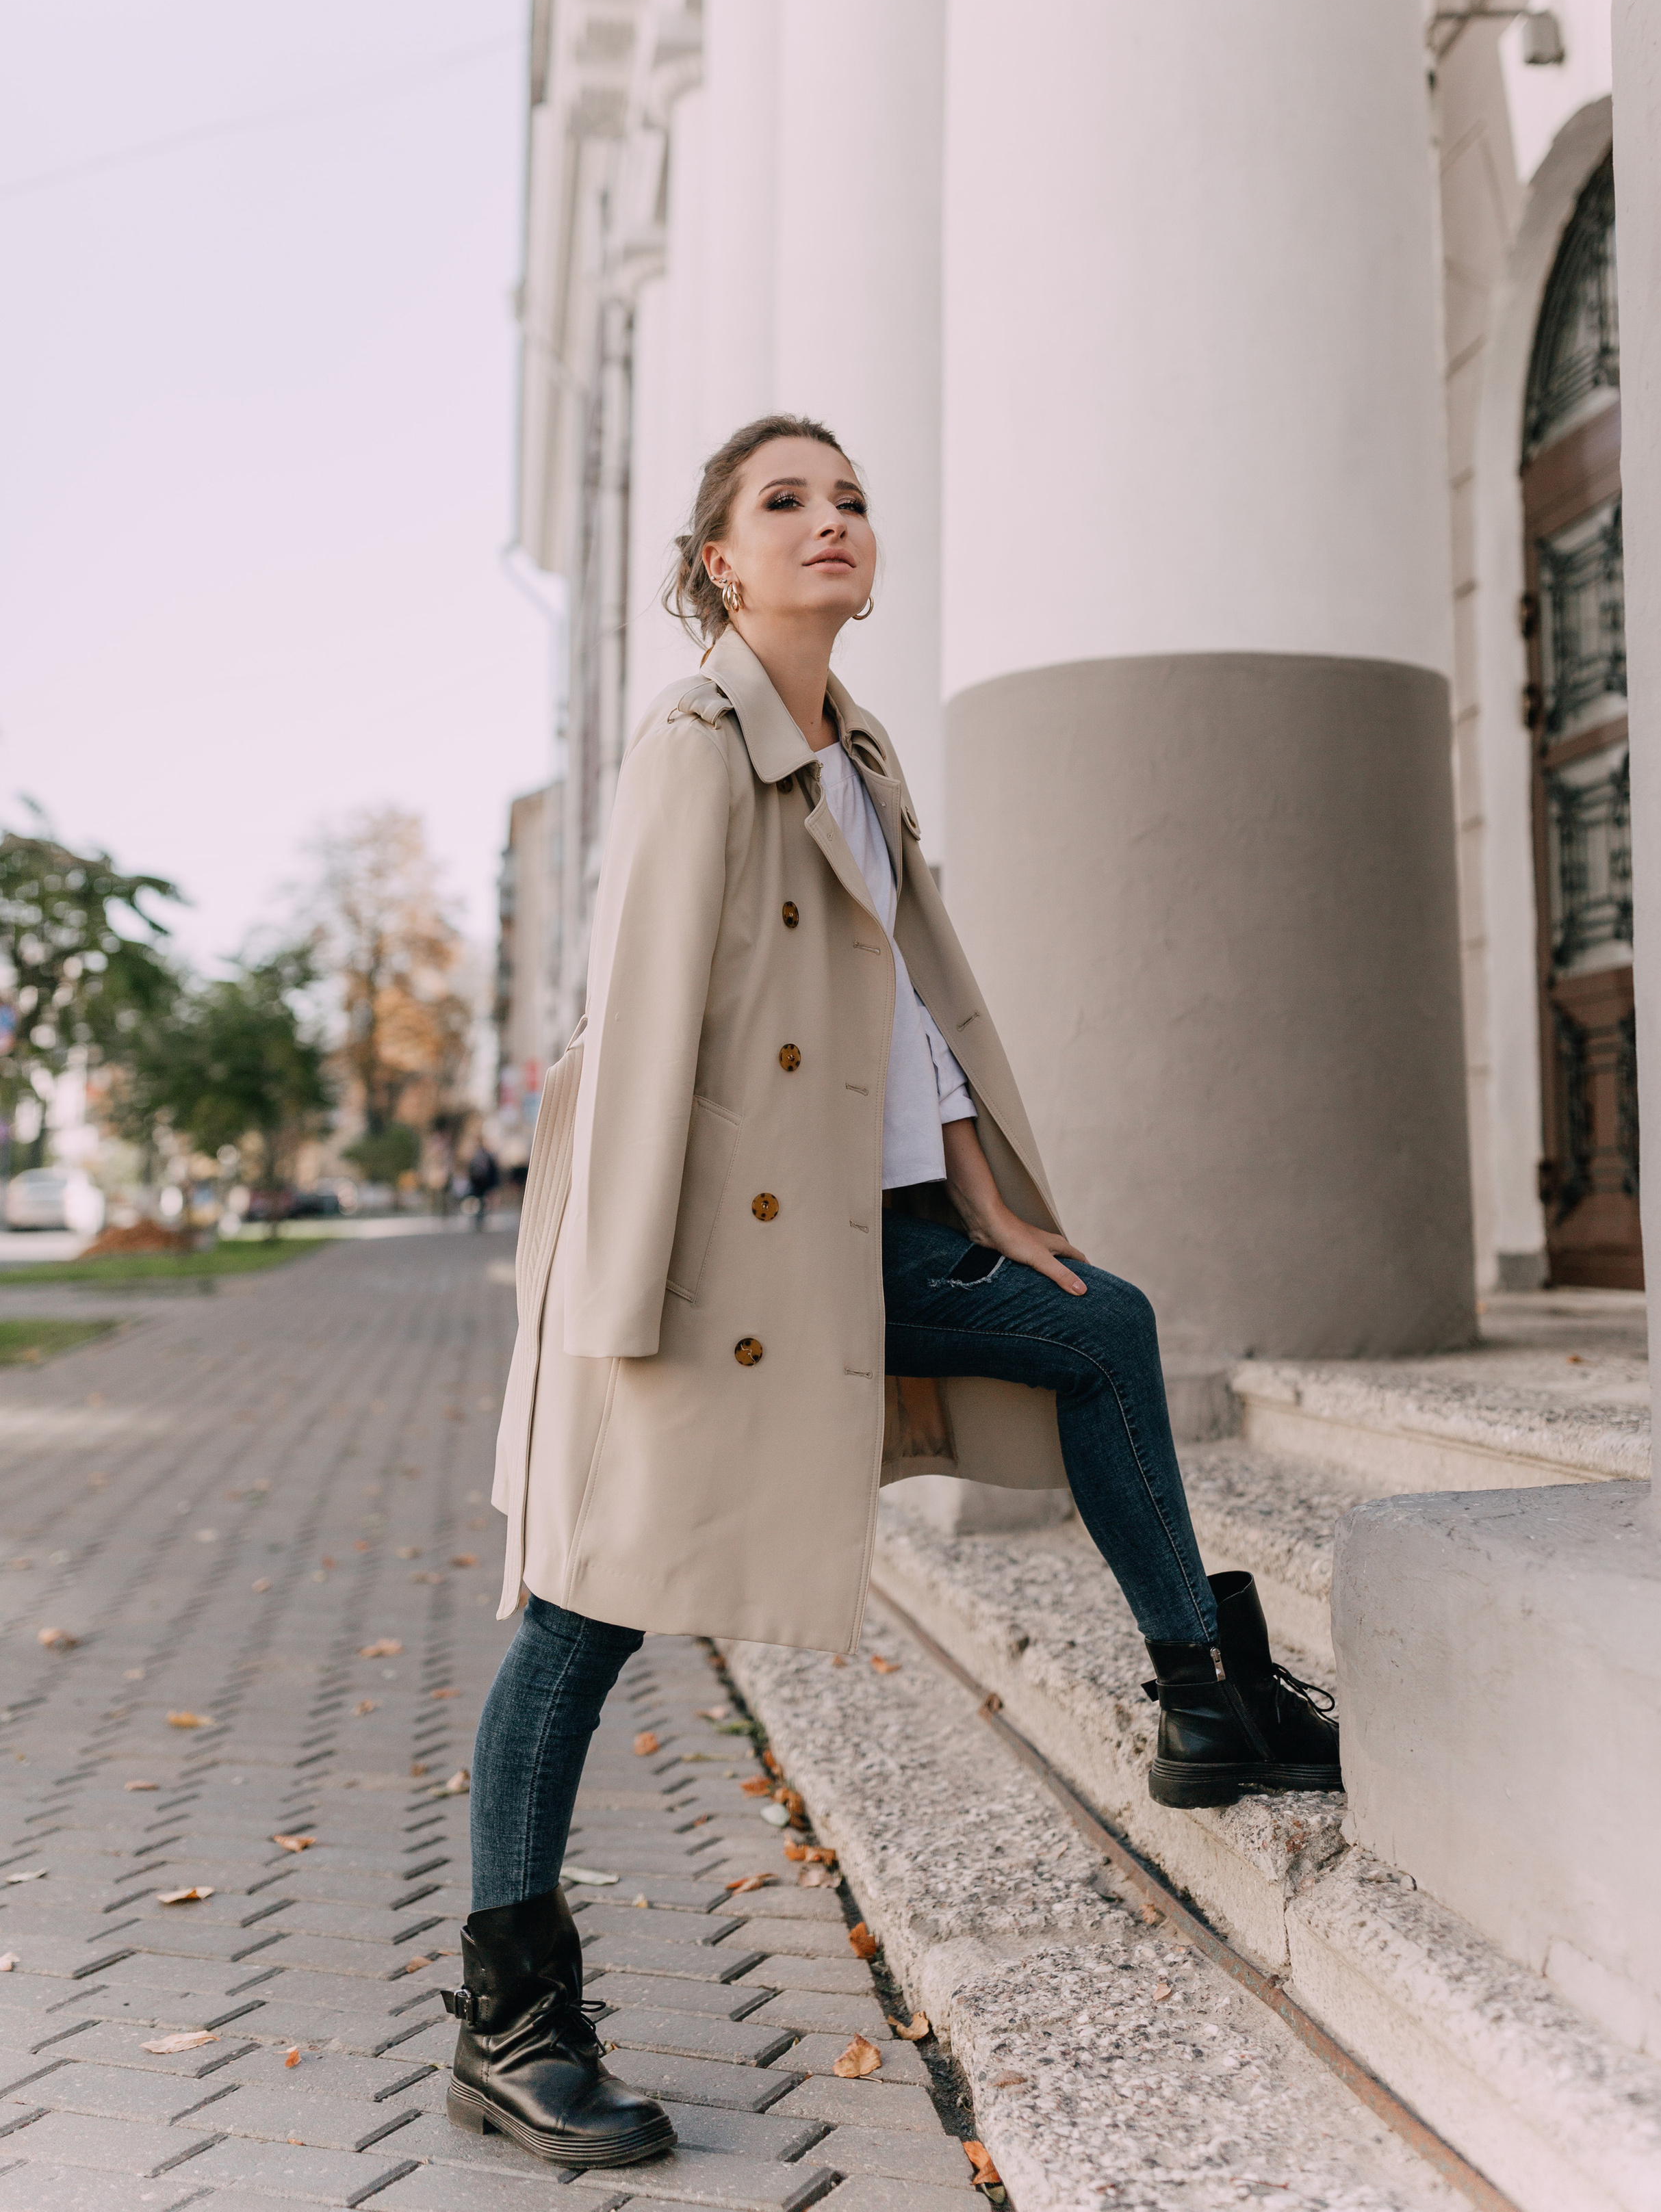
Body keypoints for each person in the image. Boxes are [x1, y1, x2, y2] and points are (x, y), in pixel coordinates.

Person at [446, 415, 1340, 2170]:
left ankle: (1201, 1698)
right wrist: (621, 1303)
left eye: (849, 499)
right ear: (720, 558)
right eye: (785, 503)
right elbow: (637, 1036)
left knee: (1096, 1322)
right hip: (713, 1255)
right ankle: (510, 2015)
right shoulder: (695, 744)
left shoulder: (853, 746)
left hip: (873, 1238)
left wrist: (992, 1200)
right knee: (583, 1603)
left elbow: (911, 1011)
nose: (830, 523)